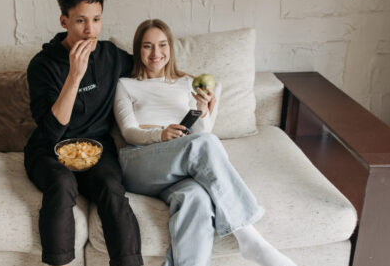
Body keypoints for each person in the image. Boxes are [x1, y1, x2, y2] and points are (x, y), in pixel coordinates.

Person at [113, 18, 297, 266]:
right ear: (138, 50)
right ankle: (250, 238)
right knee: (202, 145)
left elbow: (201, 134)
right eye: (147, 46)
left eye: (162, 45)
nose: (156, 53)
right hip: (140, 162)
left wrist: (202, 108)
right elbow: (128, 131)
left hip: (181, 164)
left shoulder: (187, 83)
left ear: (171, 48)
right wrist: (160, 134)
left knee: (196, 198)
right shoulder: (126, 85)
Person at [24, 0, 143, 266]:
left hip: (96, 149)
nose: (90, 30)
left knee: (112, 189)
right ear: (64, 20)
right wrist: (75, 75)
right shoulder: (42, 65)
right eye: (80, 21)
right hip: (49, 149)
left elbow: (151, 69)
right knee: (62, 184)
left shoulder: (110, 56)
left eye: (96, 19)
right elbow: (52, 130)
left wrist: (195, 87)